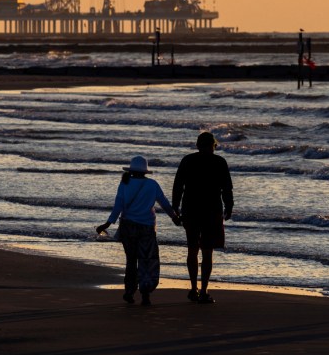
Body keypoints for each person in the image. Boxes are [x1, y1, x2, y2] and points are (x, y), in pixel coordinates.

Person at [97, 156, 180, 307]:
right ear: (145, 171)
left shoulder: (125, 183)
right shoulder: (152, 184)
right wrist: (174, 217)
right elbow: (165, 203)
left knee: (131, 261)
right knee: (146, 261)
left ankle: (129, 292)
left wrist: (107, 224)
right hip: (146, 228)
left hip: (127, 227)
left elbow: (118, 206)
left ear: (132, 170)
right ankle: (145, 295)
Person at [172, 131, 234, 304]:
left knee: (192, 249)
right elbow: (226, 189)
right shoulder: (219, 162)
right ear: (213, 145)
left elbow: (178, 186)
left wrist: (175, 207)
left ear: (198, 145)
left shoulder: (188, 160)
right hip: (211, 211)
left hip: (191, 210)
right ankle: (204, 291)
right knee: (207, 252)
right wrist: (229, 206)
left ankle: (194, 289)